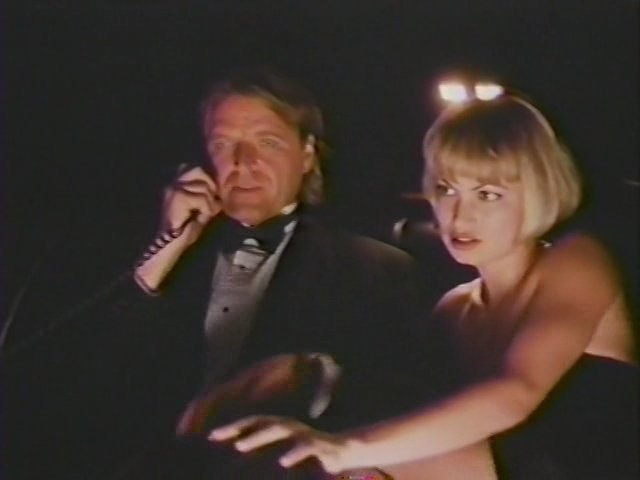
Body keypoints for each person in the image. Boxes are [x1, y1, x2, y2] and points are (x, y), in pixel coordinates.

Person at [3, 69, 436, 479]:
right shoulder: (151, 251)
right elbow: (70, 381)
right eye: (224, 144)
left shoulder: (375, 268)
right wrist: (164, 251)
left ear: (307, 155)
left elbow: (397, 403)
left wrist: (315, 378)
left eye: (267, 142)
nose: (243, 162)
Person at [208, 94, 638, 479]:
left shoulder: (575, 260)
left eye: (488, 194)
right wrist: (304, 374)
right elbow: (397, 404)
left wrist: (345, 450)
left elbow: (517, 393)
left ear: (539, 192)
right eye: (447, 189)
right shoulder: (455, 311)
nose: (459, 215)